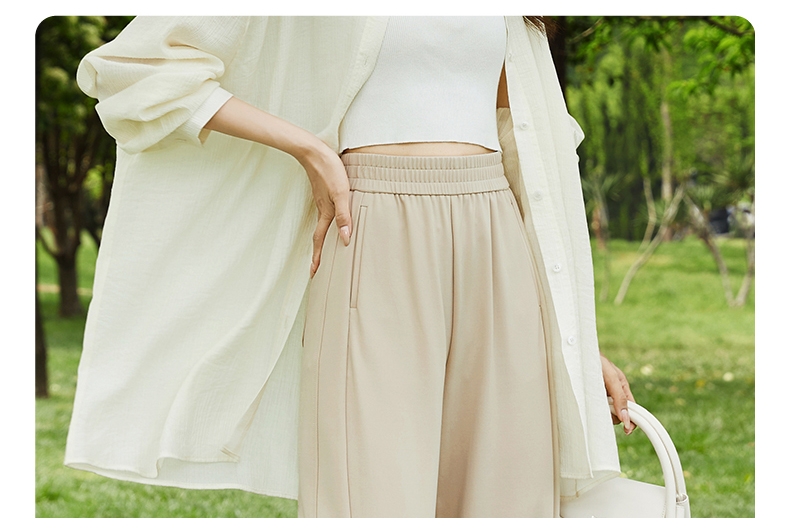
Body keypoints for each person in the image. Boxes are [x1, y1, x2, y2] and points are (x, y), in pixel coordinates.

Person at [63, 16, 636, 518]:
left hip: (499, 235)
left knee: (507, 492)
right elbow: (138, 67)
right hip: (367, 228)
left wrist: (578, 344)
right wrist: (308, 148)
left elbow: (526, 147)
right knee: (373, 491)